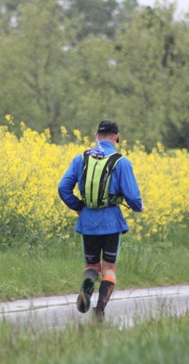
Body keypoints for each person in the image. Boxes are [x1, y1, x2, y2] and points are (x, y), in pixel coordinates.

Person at [58, 120, 144, 320]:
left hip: (88, 221)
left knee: (92, 267)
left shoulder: (81, 159)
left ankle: (87, 285)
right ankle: (100, 310)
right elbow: (132, 196)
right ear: (116, 137)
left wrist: (79, 207)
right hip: (112, 221)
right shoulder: (121, 162)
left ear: (96, 136)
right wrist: (139, 207)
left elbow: (63, 188)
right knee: (109, 269)